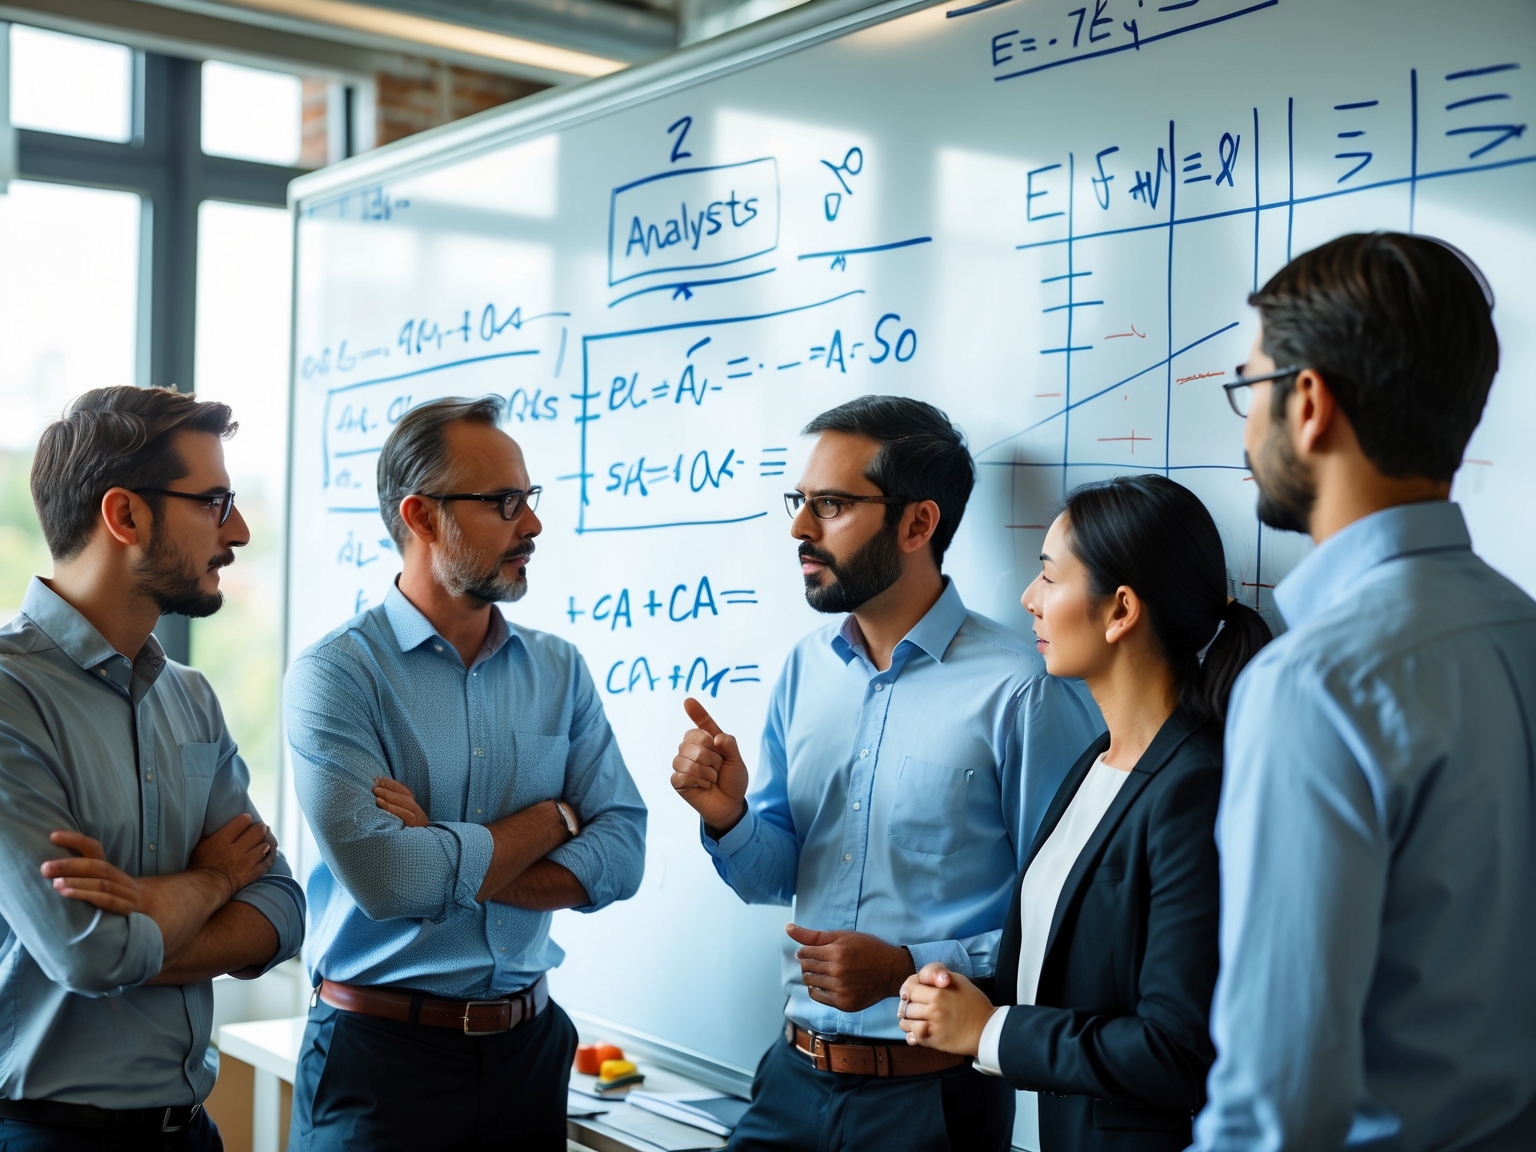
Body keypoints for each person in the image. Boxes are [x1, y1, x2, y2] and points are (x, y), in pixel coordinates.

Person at [669, 396, 1104, 1152]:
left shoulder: (1023, 692)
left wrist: (910, 966)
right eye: (799, 502)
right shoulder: (805, 670)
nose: (800, 529)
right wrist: (727, 816)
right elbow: (772, 877)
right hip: (788, 1080)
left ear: (916, 525)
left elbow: (1069, 929)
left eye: (830, 505)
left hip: (933, 1100)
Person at [1191, 233, 1536, 1150]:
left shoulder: (1315, 684)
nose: (1243, 425)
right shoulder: (1523, 629)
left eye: (1249, 387)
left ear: (1307, 403)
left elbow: (1275, 1109)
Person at [285, 395, 647, 1152]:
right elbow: (392, 882)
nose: (533, 526)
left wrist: (447, 848)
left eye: (529, 500)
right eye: (504, 503)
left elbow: (623, 855)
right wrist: (550, 821)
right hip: (382, 1061)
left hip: (529, 1051)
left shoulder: (559, 669)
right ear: (421, 517)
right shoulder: (336, 677)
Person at [897, 474, 1272, 1152]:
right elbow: (1074, 970)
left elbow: (1174, 1050)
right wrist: (957, 996)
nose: (1028, 600)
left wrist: (988, 1031)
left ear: (1120, 610)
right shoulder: (1095, 762)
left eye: (1049, 575)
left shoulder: (1196, 787)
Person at [0, 385, 306, 1151]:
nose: (237, 530)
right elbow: (87, 951)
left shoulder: (192, 698)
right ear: (125, 516)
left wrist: (141, 907)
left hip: (193, 1134)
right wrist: (208, 883)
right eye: (214, 501)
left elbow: (283, 909)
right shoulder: (7, 695)